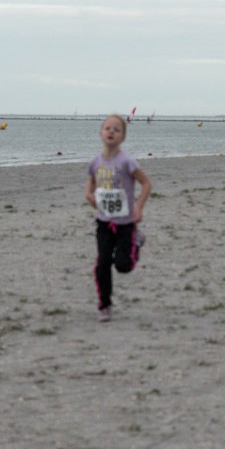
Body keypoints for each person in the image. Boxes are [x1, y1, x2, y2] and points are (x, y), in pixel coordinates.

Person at [85, 114, 152, 321]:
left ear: (123, 136)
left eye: (117, 129)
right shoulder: (95, 162)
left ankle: (136, 241)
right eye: (107, 128)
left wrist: (138, 207)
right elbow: (91, 183)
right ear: (101, 133)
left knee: (123, 266)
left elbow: (146, 184)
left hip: (126, 224)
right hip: (104, 223)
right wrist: (89, 196)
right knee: (102, 264)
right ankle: (104, 305)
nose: (111, 132)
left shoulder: (127, 161)